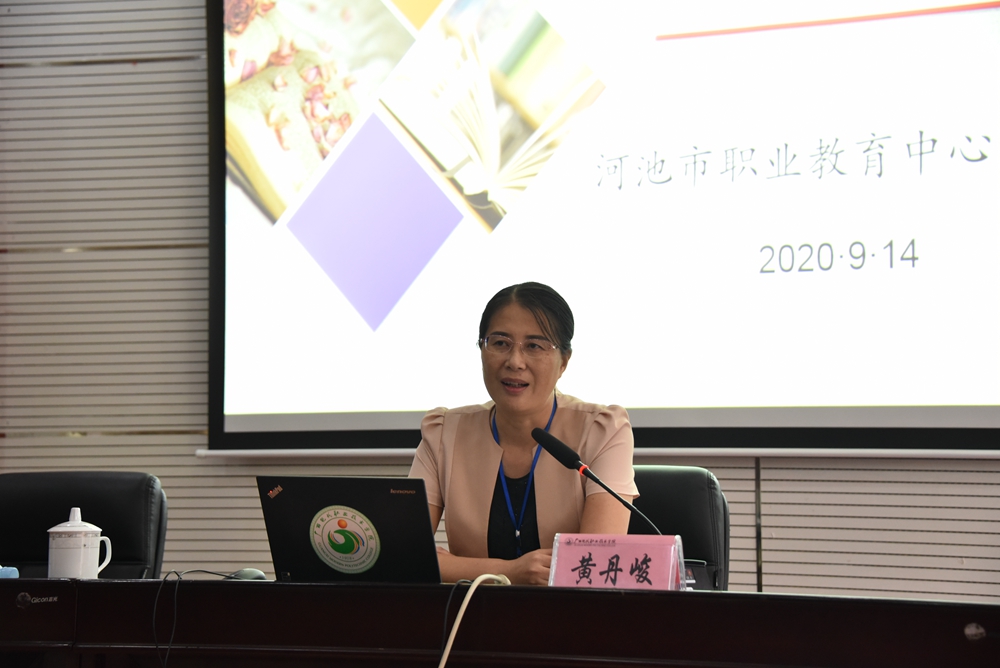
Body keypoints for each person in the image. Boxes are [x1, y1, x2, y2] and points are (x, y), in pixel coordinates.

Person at [409, 282, 638, 585]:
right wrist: (512, 571)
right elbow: (407, 556)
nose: (514, 362)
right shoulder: (443, 434)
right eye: (500, 343)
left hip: (571, 613)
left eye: (534, 346)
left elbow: (595, 567)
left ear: (564, 362)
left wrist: (455, 566)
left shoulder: (603, 430)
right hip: (470, 612)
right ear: (481, 350)